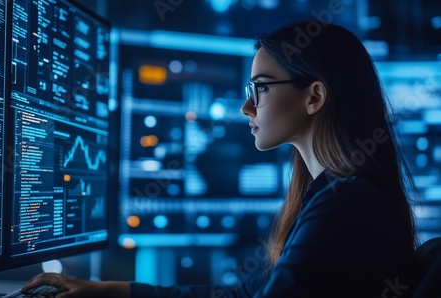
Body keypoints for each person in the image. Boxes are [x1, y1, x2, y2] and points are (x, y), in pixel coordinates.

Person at [23, 20, 419, 297]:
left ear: (314, 96)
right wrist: (111, 291)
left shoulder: (345, 204)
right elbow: (248, 293)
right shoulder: (335, 194)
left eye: (260, 88)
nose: (247, 107)